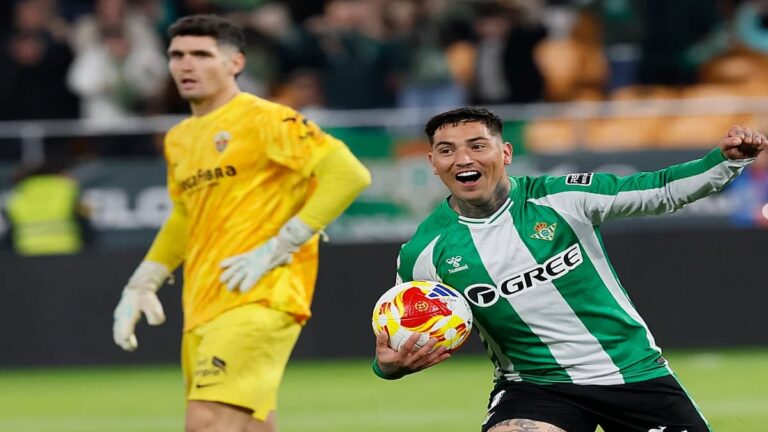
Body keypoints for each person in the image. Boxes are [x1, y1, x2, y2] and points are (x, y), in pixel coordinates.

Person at [373, 107, 766, 432]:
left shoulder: (562, 198)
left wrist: (727, 161)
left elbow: (660, 188)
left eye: (478, 146)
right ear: (433, 163)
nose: (463, 159)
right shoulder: (424, 252)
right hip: (535, 388)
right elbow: (407, 326)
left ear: (505, 153)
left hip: (631, 373)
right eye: (447, 151)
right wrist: (387, 367)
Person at [111, 14, 371, 432]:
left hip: (261, 295)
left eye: (201, 54)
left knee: (208, 421)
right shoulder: (179, 137)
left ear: (235, 63)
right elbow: (183, 216)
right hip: (203, 303)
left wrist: (280, 245)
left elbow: (349, 174)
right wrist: (145, 279)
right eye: (177, 55)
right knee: (251, 425)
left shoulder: (266, 118)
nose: (186, 65)